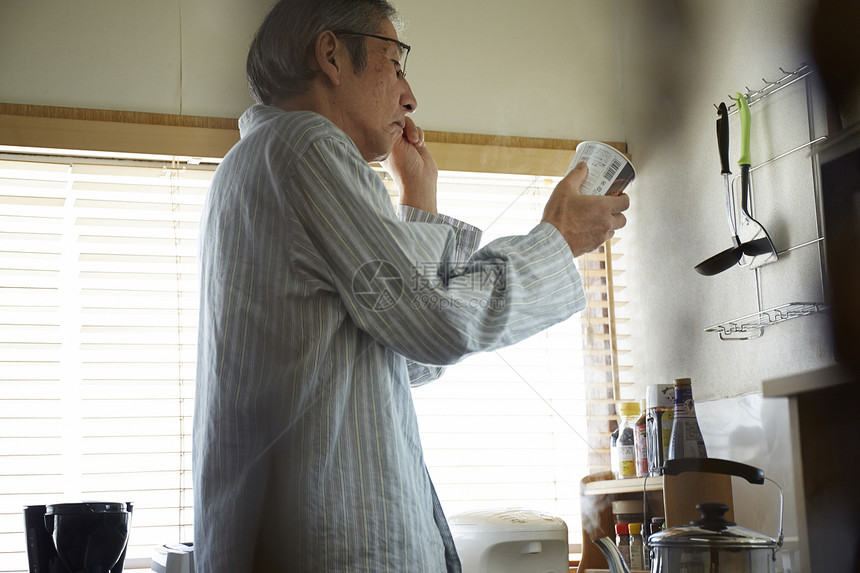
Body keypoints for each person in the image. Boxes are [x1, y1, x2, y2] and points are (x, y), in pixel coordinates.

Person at [192, 0, 630, 571]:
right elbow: (438, 323)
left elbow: (406, 356)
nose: (410, 96)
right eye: (395, 64)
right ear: (331, 55)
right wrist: (557, 237)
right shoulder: (306, 147)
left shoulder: (255, 163)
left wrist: (419, 204)